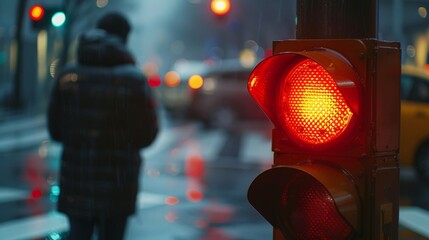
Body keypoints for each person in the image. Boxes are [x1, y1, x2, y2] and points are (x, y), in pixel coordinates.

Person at [47, 12, 158, 240]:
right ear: (124, 38)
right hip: (117, 185)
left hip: (77, 182)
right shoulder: (134, 80)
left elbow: (56, 131)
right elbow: (147, 135)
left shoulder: (68, 76)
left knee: (78, 233)